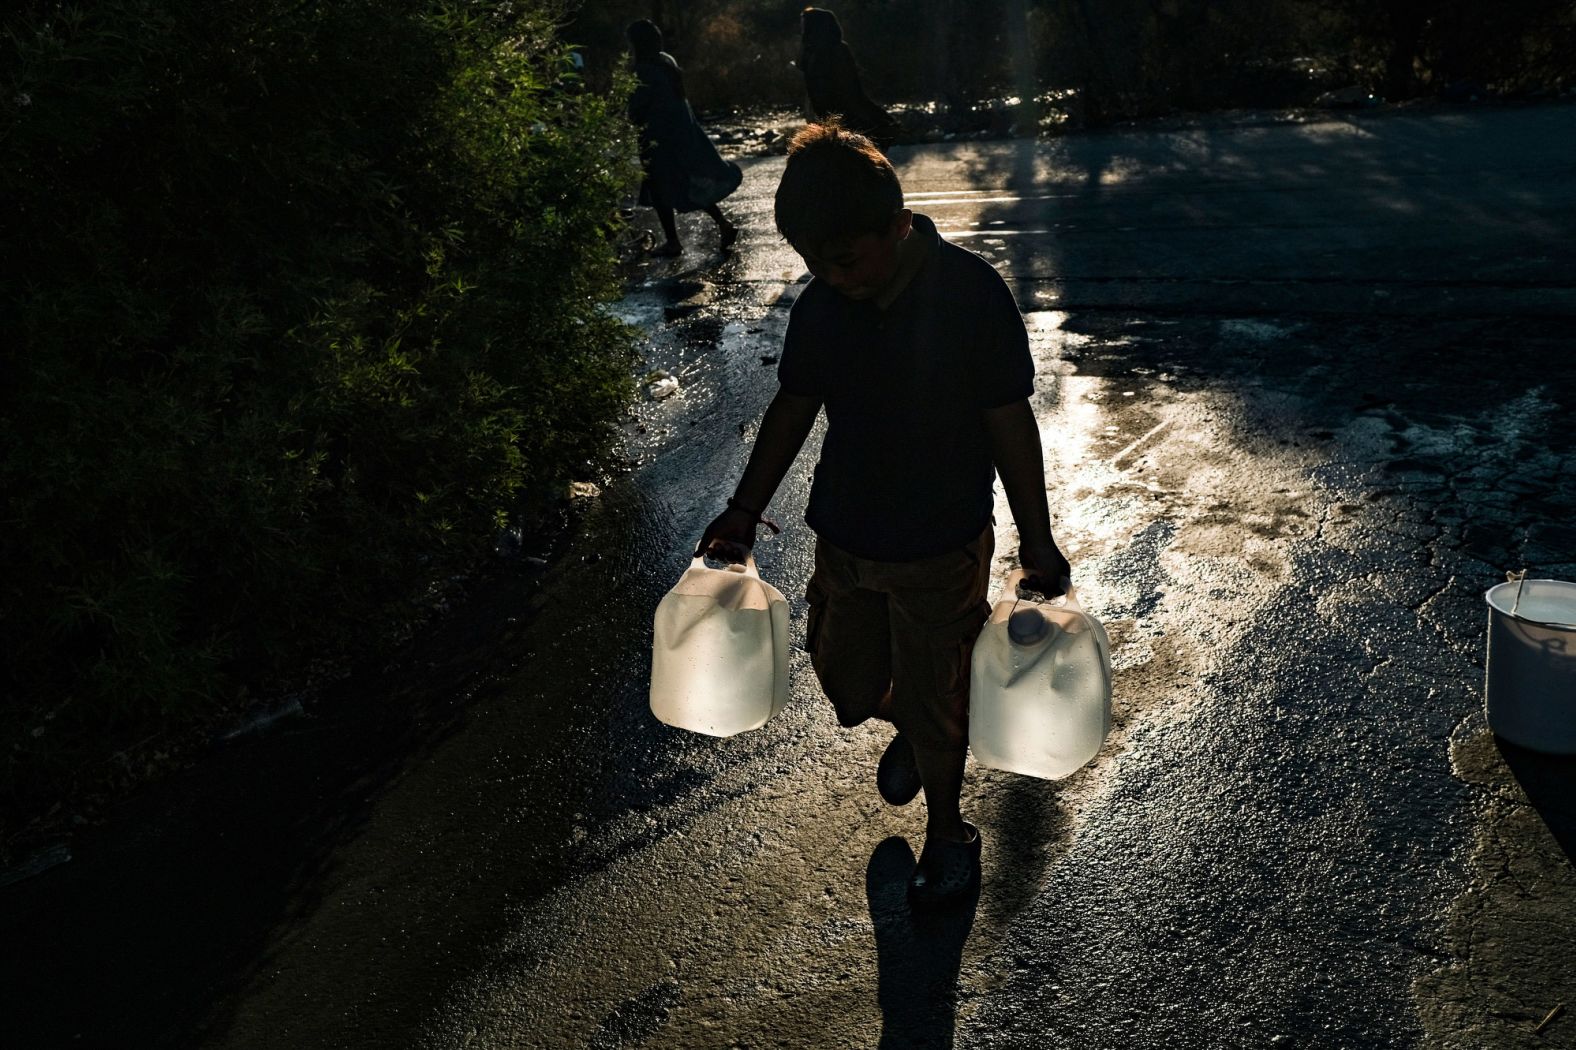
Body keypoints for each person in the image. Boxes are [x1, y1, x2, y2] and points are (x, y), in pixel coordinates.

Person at [694, 121, 1072, 909]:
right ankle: (917, 726)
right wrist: (741, 510)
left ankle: (947, 829)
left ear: (897, 226)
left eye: (844, 259)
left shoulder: (970, 295)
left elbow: (1009, 423)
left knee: (937, 700)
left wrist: (1037, 541)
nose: (830, 277)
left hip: (941, 545)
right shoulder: (825, 307)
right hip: (846, 538)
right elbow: (793, 408)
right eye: (811, 263)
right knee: (848, 683)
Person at [626, 19, 741, 257]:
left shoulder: (643, 71)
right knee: (690, 184)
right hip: (680, 135)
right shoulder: (667, 62)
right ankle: (723, 224)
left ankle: (673, 241)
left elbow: (637, 109)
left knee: (660, 189)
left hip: (657, 140)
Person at [798, 8, 900, 148]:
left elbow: (850, 87)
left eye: (805, 25)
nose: (802, 29)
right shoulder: (810, 52)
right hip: (824, 112)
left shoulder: (836, 50)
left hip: (840, 111)